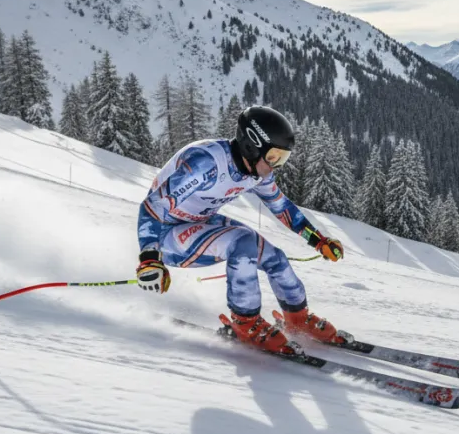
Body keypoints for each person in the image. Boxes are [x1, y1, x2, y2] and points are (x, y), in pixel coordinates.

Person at [134, 106, 347, 355]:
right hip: (166, 234)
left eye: (282, 158)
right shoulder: (206, 165)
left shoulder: (256, 171)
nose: (275, 166)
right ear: (252, 145)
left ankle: (297, 317)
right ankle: (246, 324)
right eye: (274, 157)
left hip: (199, 222)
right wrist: (149, 258)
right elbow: (153, 206)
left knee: (274, 256)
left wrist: (318, 240)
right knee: (244, 242)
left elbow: (281, 206)